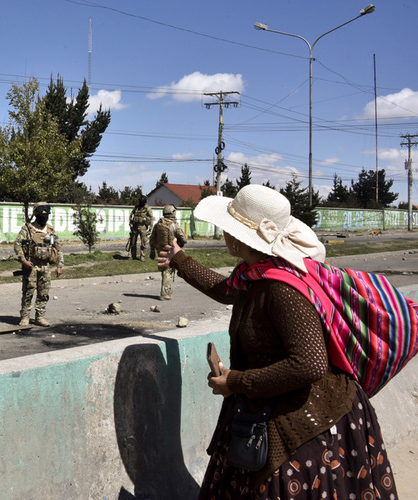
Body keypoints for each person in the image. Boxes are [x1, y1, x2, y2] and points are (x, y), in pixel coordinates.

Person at [158, 184, 399, 498]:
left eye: (227, 227)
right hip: (269, 406)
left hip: (309, 424)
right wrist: (181, 259)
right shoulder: (254, 273)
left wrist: (236, 381)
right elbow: (227, 290)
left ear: (240, 236)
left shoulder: (282, 288)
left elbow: (310, 365)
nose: (223, 233)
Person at [14, 202, 63, 327]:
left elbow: (58, 248)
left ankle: (40, 317)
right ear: (36, 215)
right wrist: (23, 260)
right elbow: (17, 245)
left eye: (46, 216)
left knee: (43, 293)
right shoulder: (28, 229)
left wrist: (59, 265)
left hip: (45, 266)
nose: (44, 218)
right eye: (41, 216)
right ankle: (25, 317)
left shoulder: (50, 230)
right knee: (28, 292)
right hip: (32, 266)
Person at [149, 204, 186, 300]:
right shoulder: (174, 225)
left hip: (160, 250)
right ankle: (164, 293)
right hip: (171, 250)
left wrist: (152, 250)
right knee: (167, 271)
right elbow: (184, 239)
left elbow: (152, 238)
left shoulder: (158, 224)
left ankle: (168, 289)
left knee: (165, 271)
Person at [128, 195, 153, 261]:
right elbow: (131, 216)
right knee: (133, 242)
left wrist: (150, 229)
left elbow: (151, 219)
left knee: (143, 243)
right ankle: (133, 256)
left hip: (143, 227)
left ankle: (142, 256)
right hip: (135, 226)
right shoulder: (136, 208)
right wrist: (130, 224)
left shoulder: (147, 208)